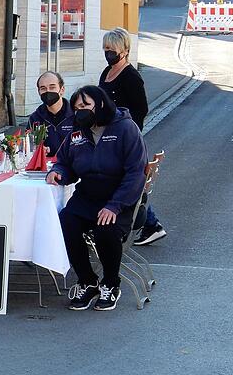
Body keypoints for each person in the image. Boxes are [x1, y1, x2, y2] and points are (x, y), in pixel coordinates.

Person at [47, 86, 146, 311]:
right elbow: (64, 161)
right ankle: (87, 280)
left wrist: (115, 205)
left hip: (119, 198)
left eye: (85, 106)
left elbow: (136, 172)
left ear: (100, 104)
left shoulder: (125, 128)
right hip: (87, 195)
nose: (80, 111)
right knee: (66, 223)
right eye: (76, 108)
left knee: (106, 230)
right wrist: (58, 172)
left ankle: (111, 284)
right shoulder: (77, 131)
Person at [99, 27, 166, 245]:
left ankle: (150, 224)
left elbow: (141, 109)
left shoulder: (131, 76)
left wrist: (127, 130)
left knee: (127, 181)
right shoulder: (106, 73)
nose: (108, 53)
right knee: (119, 181)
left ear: (125, 50)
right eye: (106, 48)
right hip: (105, 136)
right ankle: (150, 224)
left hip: (126, 139)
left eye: (112, 49)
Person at [28, 71, 74, 157]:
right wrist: (38, 150)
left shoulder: (76, 115)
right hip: (45, 166)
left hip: (72, 165)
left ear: (62, 90)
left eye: (52, 87)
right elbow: (29, 147)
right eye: (43, 88)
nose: (47, 91)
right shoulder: (34, 119)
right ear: (39, 92)